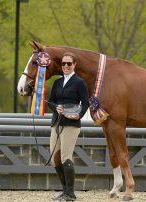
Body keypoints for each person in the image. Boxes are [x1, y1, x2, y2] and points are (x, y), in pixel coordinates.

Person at [47, 52, 89, 201]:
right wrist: (55, 107)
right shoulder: (57, 82)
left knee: (65, 157)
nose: (65, 66)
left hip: (71, 124)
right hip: (56, 123)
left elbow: (85, 103)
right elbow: (50, 102)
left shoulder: (79, 82)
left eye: (69, 64)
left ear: (74, 65)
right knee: (54, 159)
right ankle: (65, 191)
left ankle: (70, 193)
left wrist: (79, 115)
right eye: (63, 64)